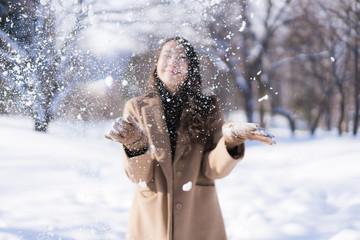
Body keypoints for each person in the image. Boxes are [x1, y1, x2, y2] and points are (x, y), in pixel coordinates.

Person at [105, 37, 275, 240]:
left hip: (199, 219)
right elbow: (140, 177)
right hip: (151, 222)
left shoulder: (208, 107)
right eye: (167, 55)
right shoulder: (136, 107)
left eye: (181, 57)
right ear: (156, 63)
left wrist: (231, 140)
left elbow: (213, 169)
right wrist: (136, 145)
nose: (173, 62)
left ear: (191, 67)